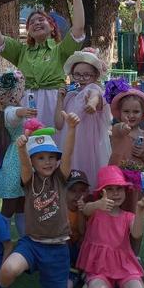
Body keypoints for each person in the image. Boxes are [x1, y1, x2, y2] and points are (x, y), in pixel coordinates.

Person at [0, 113, 80, 288]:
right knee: (9, 269)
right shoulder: (30, 181)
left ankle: (72, 278)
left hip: (57, 247)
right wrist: (21, 149)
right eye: (41, 158)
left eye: (51, 157)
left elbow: (69, 154)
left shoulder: (60, 178)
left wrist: (71, 128)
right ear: (33, 161)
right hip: (32, 243)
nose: (47, 162)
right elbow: (25, 166)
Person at [0, 0, 88, 129]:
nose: (36, 23)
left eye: (41, 20)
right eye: (31, 22)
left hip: (54, 104)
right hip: (27, 104)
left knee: (54, 142)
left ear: (52, 27)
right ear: (29, 32)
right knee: (27, 141)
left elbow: (79, 28)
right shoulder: (21, 51)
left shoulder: (60, 50)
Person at [76, 165, 144, 288]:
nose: (115, 193)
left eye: (119, 188)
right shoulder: (95, 211)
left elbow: (137, 234)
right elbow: (85, 210)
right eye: (109, 189)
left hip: (125, 267)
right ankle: (87, 283)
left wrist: (140, 210)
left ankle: (127, 284)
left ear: (125, 191)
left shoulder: (128, 216)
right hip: (99, 268)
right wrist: (98, 204)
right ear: (101, 192)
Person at [104, 78, 144, 256]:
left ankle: (135, 254)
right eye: (126, 111)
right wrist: (123, 127)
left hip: (137, 185)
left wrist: (143, 154)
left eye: (136, 111)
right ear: (119, 113)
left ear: (143, 113)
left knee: (136, 218)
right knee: (116, 216)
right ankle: (115, 252)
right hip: (118, 183)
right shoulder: (117, 130)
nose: (131, 115)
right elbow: (120, 129)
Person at [55, 47, 111, 186]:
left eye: (87, 75)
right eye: (77, 75)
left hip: (88, 146)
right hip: (70, 145)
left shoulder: (93, 89)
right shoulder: (70, 96)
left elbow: (95, 96)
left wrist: (92, 104)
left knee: (88, 176)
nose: (81, 78)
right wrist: (60, 100)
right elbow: (59, 124)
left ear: (95, 76)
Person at [0, 68, 34, 237]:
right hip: (14, 163)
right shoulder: (9, 111)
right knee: (9, 205)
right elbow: (13, 114)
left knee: (21, 204)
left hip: (18, 161)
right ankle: (3, 239)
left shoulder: (6, 111)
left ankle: (24, 239)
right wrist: (23, 111)